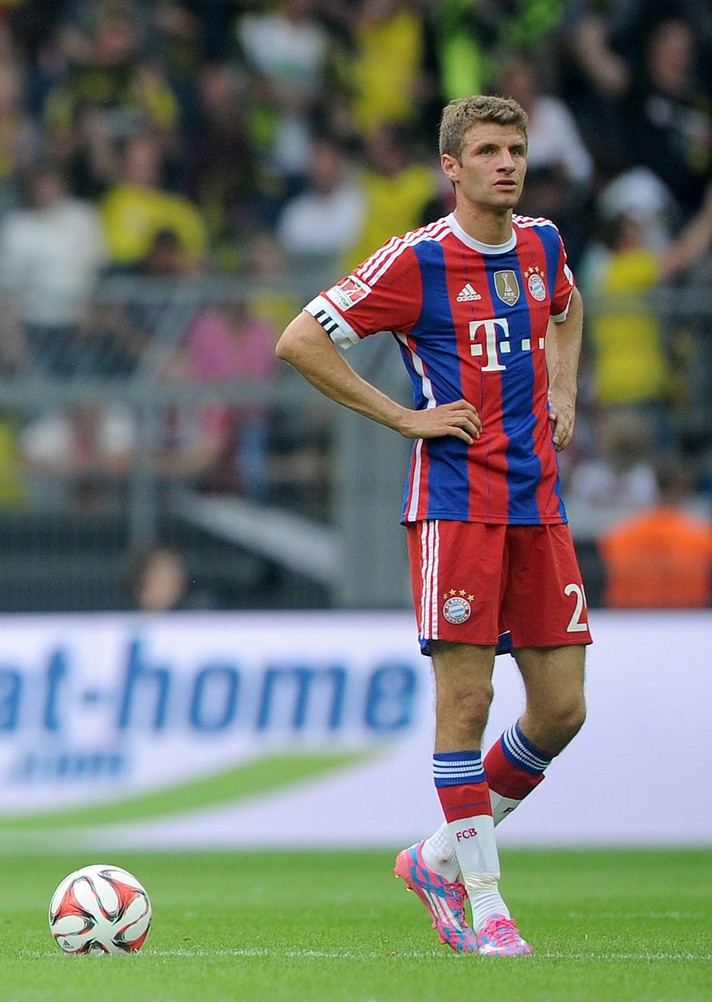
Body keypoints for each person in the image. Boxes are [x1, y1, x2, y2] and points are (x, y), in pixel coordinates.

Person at [275, 95, 590, 958]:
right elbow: (300, 340)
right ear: (450, 168)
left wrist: (562, 386)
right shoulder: (416, 261)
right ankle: (486, 902)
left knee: (562, 710)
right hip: (456, 506)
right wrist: (402, 416)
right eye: (486, 151)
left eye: (515, 149)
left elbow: (567, 307)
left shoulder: (543, 243)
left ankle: (439, 857)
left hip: (539, 504)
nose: (506, 164)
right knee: (468, 700)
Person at [599, 459, 712, 608]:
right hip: (688, 620)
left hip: (631, 621)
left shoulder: (618, 535)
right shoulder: (706, 535)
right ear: (683, 488)